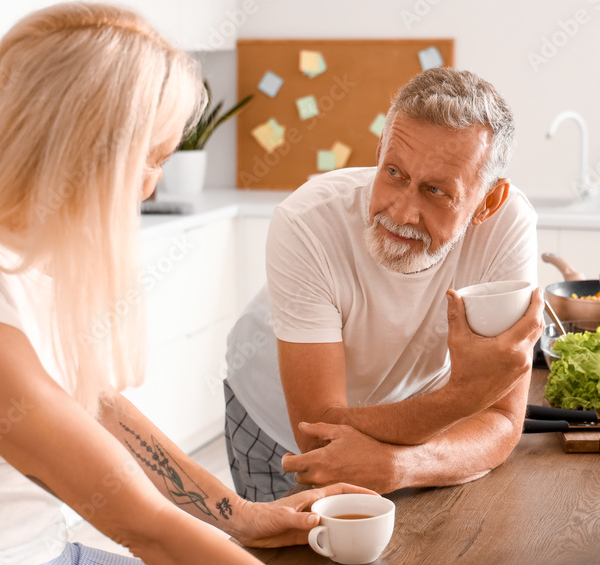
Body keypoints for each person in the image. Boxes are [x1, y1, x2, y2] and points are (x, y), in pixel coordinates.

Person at [0, 5, 531, 565]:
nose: (151, 183)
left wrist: (233, 512)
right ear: (79, 148)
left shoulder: (10, 247)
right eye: (148, 158)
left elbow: (90, 403)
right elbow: (143, 525)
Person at [224, 68, 543, 502]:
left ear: (488, 202)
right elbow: (317, 433)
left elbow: (503, 423)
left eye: (435, 191)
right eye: (393, 172)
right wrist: (464, 397)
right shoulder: (306, 222)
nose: (402, 211)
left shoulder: (507, 227)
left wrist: (399, 465)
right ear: (379, 152)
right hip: (273, 419)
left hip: (410, 411)